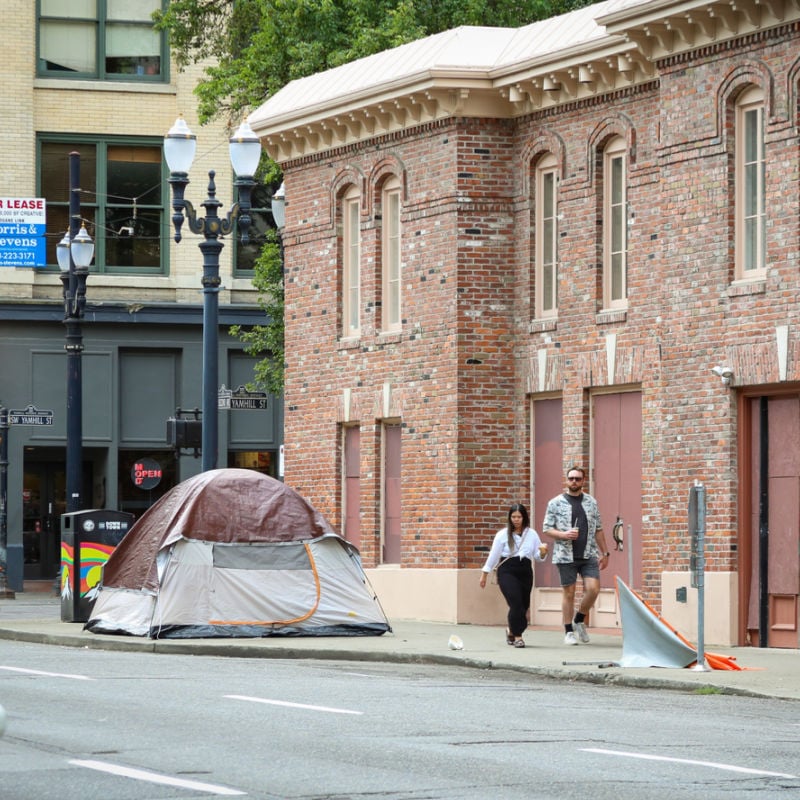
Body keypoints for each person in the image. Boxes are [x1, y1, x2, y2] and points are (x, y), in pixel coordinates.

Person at [542, 466, 610, 646]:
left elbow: (599, 529)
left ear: (583, 481)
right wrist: (564, 535)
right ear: (566, 480)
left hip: (588, 553)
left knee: (594, 589)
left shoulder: (591, 502)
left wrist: (605, 552)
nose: (574, 482)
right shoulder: (555, 503)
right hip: (565, 555)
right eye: (571, 478)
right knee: (569, 593)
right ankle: (568, 631)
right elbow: (547, 528)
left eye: (578, 479)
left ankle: (579, 619)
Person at [479, 503, 548, 648]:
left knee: (523, 606)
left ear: (524, 518)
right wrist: (484, 574)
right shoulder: (502, 535)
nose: (516, 520)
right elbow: (494, 555)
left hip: (525, 570)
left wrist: (543, 552)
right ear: (509, 518)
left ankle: (511, 630)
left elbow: (537, 556)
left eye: (519, 517)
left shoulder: (532, 534)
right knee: (515, 602)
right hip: (507, 570)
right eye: (513, 517)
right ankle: (518, 637)